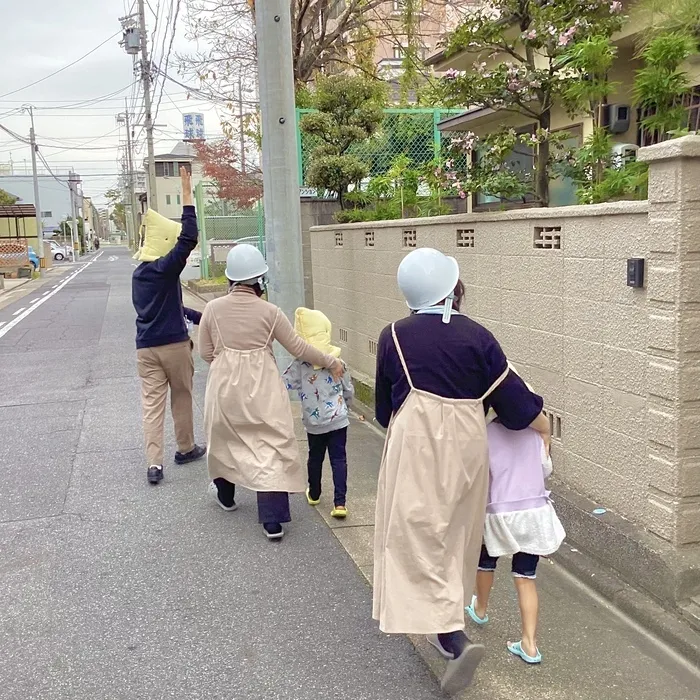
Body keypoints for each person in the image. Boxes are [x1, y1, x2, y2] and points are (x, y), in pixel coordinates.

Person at [373, 247, 550, 696]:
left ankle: (452, 637)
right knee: (456, 538)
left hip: (413, 448)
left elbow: (381, 411)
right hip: (468, 453)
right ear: (453, 289)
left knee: (414, 535)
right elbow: (515, 409)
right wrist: (542, 419)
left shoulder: (393, 336)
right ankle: (446, 627)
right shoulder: (479, 338)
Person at [198, 244, 344, 541]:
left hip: (224, 385)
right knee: (270, 443)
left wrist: (228, 363)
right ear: (259, 281)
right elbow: (298, 348)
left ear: (230, 280)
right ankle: (272, 521)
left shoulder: (213, 309)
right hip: (262, 385)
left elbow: (205, 352)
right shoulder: (271, 312)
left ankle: (226, 496)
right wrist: (330, 361)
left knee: (225, 438)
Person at [465, 366, 565, 665]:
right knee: (525, 577)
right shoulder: (536, 435)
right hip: (533, 514)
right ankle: (530, 644)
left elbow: (482, 479)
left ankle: (480, 609)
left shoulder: (485, 435)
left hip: (498, 514)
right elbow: (545, 470)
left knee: (486, 561)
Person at [132, 166, 206, 485]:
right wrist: (187, 192)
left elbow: (167, 306)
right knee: (181, 396)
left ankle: (154, 463)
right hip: (174, 346)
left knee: (152, 405)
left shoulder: (139, 275)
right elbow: (189, 236)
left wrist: (199, 316)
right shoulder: (166, 268)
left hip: (145, 348)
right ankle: (186, 448)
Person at [283, 308, 354, 519]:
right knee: (339, 459)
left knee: (315, 457)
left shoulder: (299, 366)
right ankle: (340, 503)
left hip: (314, 423)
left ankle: (314, 493)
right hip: (339, 421)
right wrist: (346, 407)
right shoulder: (338, 363)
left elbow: (282, 384)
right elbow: (348, 389)